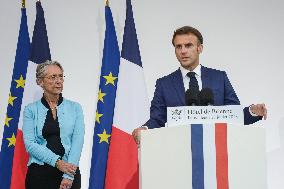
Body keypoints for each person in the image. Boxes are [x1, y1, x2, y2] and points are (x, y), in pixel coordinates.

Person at [132, 26, 267, 143]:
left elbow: (233, 115)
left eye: (188, 45)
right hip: (179, 153)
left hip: (216, 154)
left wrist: (253, 111)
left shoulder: (219, 78)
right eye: (178, 46)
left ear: (199, 48)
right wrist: (145, 129)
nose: (183, 51)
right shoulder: (164, 84)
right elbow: (157, 119)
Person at [23, 60, 85, 189]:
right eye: (53, 77)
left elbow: (77, 141)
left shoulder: (75, 108)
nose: (59, 81)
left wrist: (68, 175)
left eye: (61, 76)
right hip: (39, 174)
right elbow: (30, 144)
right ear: (40, 82)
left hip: (69, 172)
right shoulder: (30, 110)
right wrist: (57, 162)